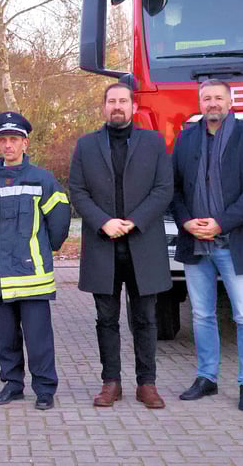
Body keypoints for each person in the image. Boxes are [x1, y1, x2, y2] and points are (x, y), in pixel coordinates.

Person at [68, 81, 173, 409]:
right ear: (103, 107)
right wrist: (104, 221)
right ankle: (111, 382)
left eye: (123, 101)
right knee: (106, 319)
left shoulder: (153, 142)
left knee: (146, 318)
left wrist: (135, 220)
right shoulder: (85, 146)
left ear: (132, 106)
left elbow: (163, 188)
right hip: (104, 245)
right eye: (111, 101)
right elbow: (78, 191)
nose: (117, 106)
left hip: (143, 243)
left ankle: (147, 384)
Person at [171, 79, 243, 412]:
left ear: (230, 102)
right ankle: (207, 378)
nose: (212, 103)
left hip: (233, 242)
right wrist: (186, 221)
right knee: (201, 315)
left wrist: (221, 223)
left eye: (218, 98)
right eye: (206, 98)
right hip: (196, 244)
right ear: (200, 103)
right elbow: (175, 189)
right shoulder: (185, 139)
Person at [0, 112, 70, 409]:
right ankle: (12, 385)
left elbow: (59, 221)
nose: (8, 145)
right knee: (6, 338)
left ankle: (44, 390)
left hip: (32, 275)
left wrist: (43, 249)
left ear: (25, 143)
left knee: (38, 339)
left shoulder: (42, 179)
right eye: (3, 140)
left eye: (14, 140)